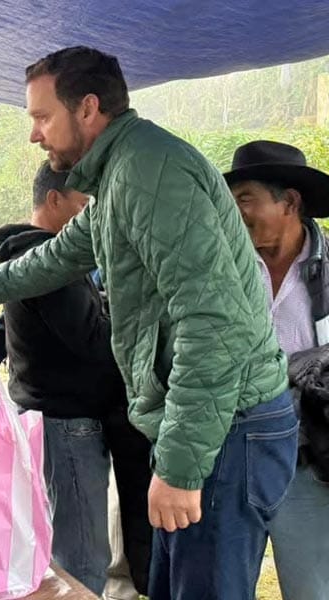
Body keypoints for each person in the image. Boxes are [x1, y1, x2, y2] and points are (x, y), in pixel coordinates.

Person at [0, 46, 297, 600]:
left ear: (87, 108)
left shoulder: (150, 174)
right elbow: (60, 253)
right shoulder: (121, 175)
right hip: (208, 421)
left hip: (229, 424)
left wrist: (182, 469)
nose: (35, 136)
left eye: (42, 117)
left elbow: (211, 322)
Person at [0, 161, 151, 596]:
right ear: (54, 200)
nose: (90, 216)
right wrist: (137, 322)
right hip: (66, 420)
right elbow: (94, 341)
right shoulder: (45, 265)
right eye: (84, 204)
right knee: (82, 556)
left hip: (56, 415)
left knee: (72, 543)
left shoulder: (37, 257)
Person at [225, 140, 329, 600]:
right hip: (232, 457)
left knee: (311, 588)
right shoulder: (221, 268)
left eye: (246, 199)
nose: (236, 213)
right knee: (222, 586)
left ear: (290, 202)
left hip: (307, 465)